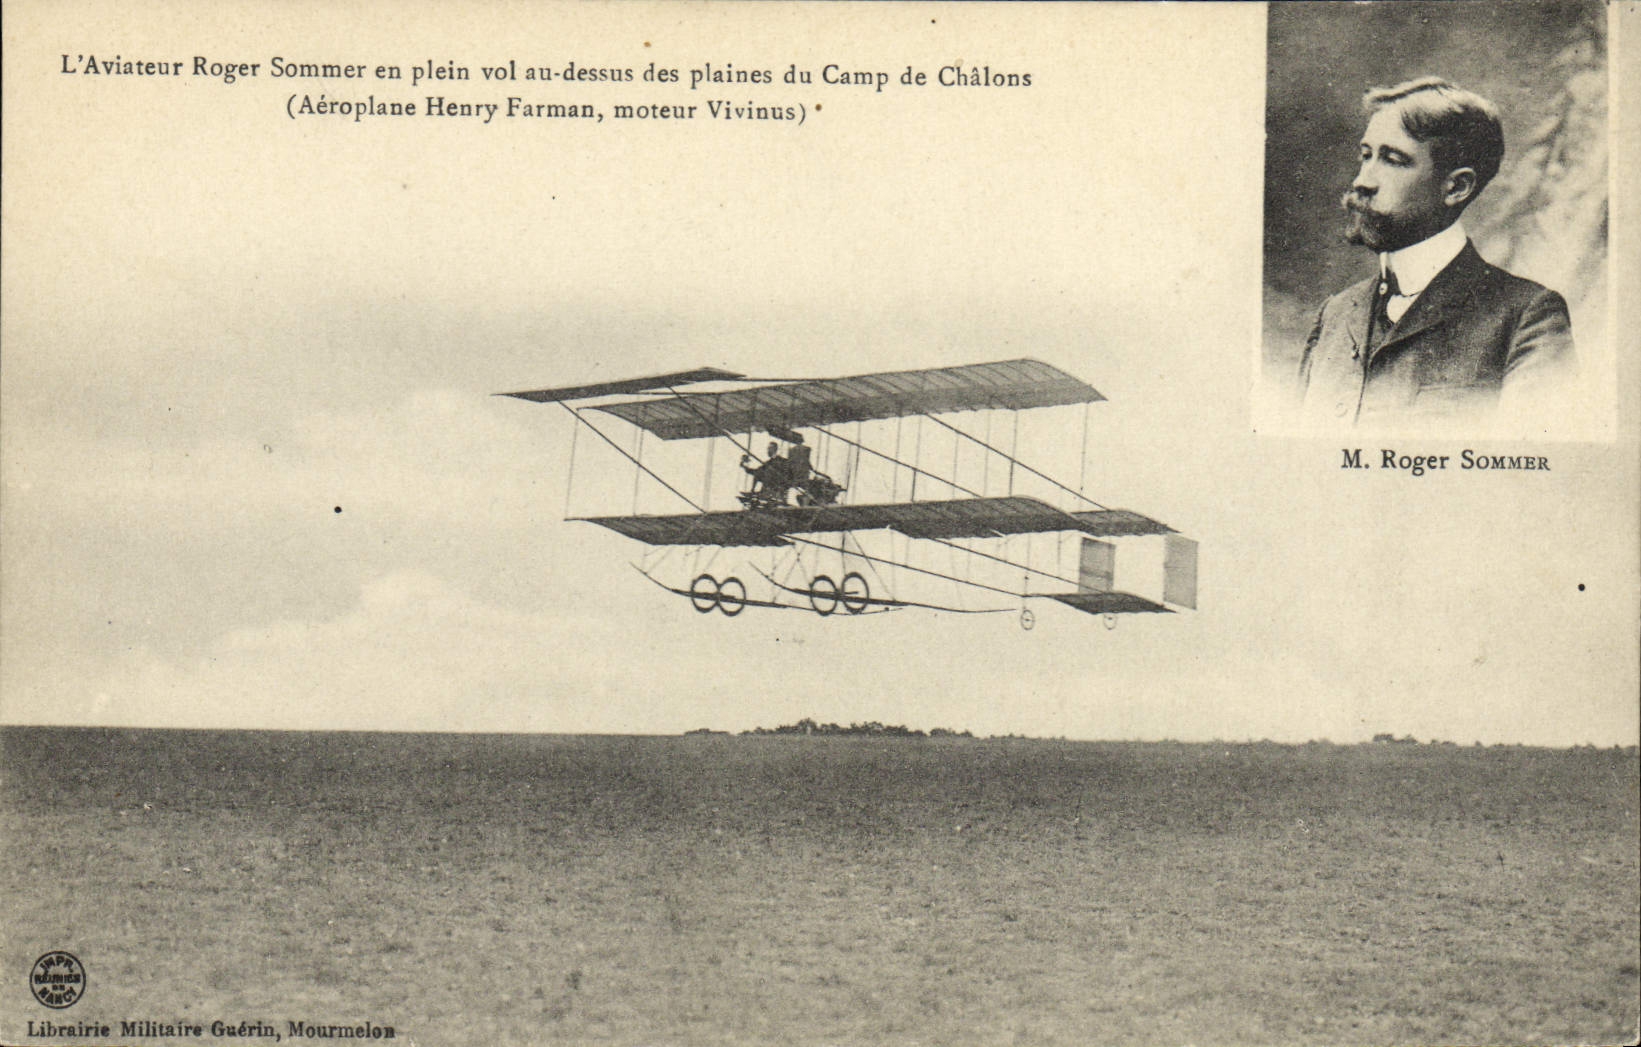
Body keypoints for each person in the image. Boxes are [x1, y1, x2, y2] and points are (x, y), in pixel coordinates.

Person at [1297, 77, 1575, 431]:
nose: (1362, 181)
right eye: (1366, 156)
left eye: (1393, 160)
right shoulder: (1335, 315)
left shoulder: (1527, 317)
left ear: (1457, 187)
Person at [741, 441, 791, 507]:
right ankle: (753, 491)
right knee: (758, 473)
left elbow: (787, 473)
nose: (768, 450)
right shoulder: (768, 462)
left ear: (775, 449)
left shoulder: (782, 461)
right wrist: (746, 468)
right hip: (769, 484)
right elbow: (757, 471)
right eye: (768, 448)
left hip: (777, 484)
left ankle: (763, 493)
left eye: (769, 448)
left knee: (767, 472)